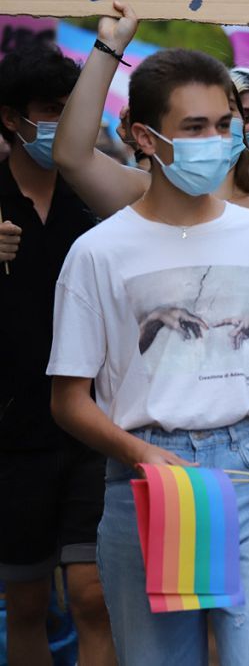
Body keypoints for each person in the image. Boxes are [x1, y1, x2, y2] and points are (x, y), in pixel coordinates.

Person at [46, 16, 249, 662]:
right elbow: (69, 398)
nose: (217, 141)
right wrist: (142, 455)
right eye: (194, 127)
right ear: (145, 137)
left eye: (223, 125)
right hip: (147, 486)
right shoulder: (97, 251)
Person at [0, 41, 116, 666]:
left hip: (94, 428)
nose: (64, 122)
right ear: (11, 119)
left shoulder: (101, 196)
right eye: (50, 109)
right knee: (25, 604)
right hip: (13, 437)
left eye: (74, 108)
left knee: (93, 596)